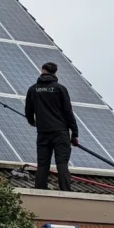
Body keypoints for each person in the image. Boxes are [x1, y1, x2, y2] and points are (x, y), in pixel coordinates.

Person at [24, 62, 78, 191]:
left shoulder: (33, 89)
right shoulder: (60, 89)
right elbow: (68, 112)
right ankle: (66, 191)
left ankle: (40, 190)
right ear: (55, 73)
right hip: (60, 132)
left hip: (43, 132)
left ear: (42, 70)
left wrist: (33, 122)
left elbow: (28, 110)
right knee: (62, 163)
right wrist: (74, 133)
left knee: (43, 164)